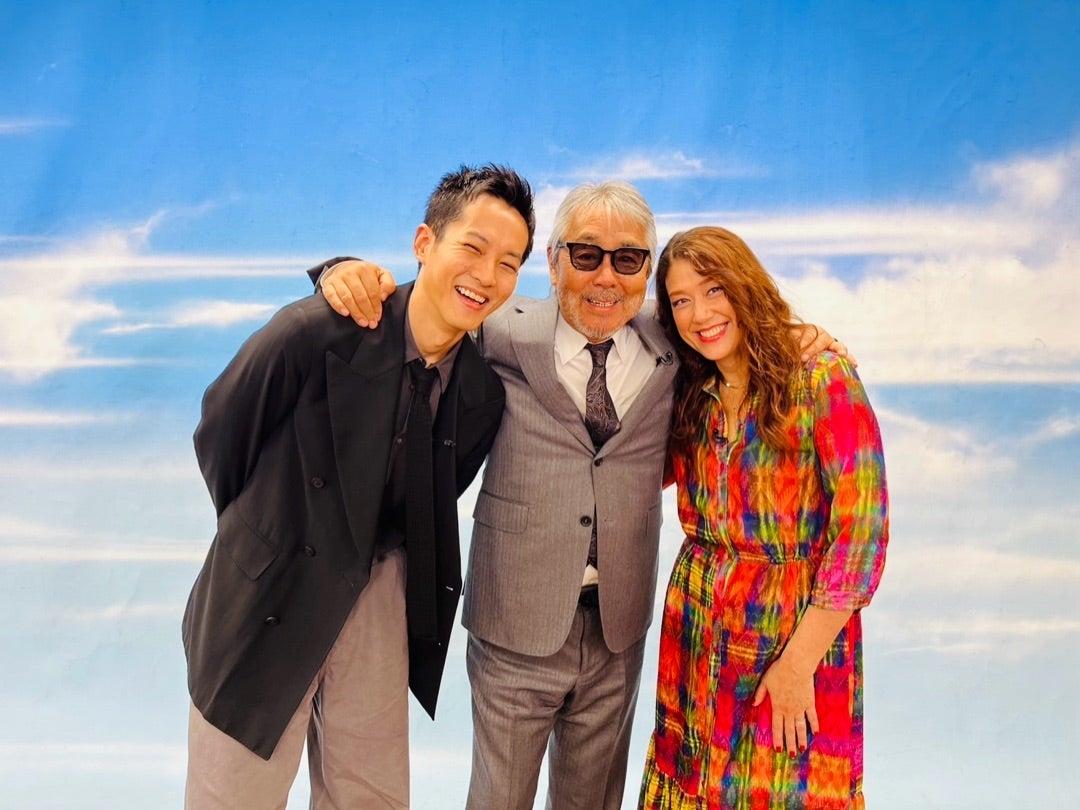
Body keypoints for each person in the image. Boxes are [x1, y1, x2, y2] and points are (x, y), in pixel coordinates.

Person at [314, 183, 843, 810]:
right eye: (586, 255)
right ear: (553, 260)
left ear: (646, 270)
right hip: (515, 625)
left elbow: (725, 326)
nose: (606, 278)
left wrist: (792, 334)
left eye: (628, 260)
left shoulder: (674, 344)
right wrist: (341, 273)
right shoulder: (497, 331)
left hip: (618, 630)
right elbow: (424, 310)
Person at [182, 164, 535, 809]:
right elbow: (221, 431)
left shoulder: (481, 394)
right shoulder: (315, 331)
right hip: (269, 589)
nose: (487, 276)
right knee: (232, 796)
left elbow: (430, 500)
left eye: (509, 263)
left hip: (378, 593)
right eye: (473, 247)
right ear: (424, 243)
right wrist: (261, 537)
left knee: (372, 796)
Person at [638, 226, 888, 809]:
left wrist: (797, 667)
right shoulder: (689, 389)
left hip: (791, 636)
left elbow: (862, 537)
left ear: (746, 285)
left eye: (714, 289)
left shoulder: (821, 377)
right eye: (680, 300)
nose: (701, 314)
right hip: (695, 636)